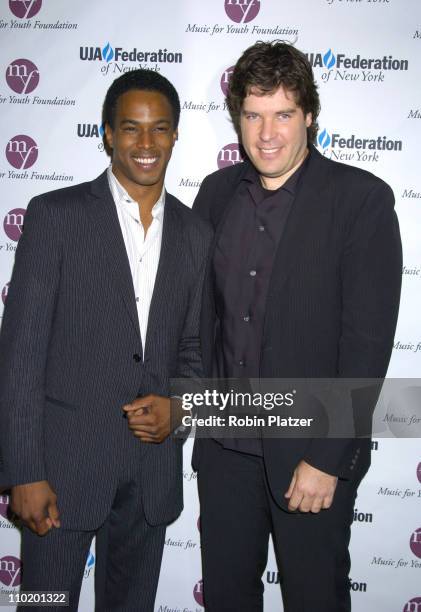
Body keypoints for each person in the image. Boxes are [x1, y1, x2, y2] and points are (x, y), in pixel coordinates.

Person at [192, 41, 402, 612]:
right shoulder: (214, 195)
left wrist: (327, 457)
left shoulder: (361, 201)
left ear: (309, 115)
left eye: (283, 114)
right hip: (225, 451)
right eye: (253, 115)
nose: (266, 134)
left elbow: (366, 345)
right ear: (236, 117)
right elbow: (200, 320)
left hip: (309, 457)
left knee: (314, 599)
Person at [0, 68, 211, 611]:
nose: (146, 144)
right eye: (132, 129)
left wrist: (179, 410)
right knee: (45, 604)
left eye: (160, 129)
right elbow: (21, 355)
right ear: (108, 134)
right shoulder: (56, 216)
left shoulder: (194, 234)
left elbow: (193, 349)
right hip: (60, 476)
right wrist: (24, 470)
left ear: (175, 136)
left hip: (151, 475)